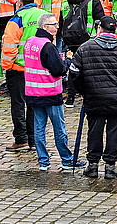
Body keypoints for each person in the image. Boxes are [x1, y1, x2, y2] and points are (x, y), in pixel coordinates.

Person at [68, 16, 117, 179]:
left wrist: (83, 90)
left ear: (99, 29)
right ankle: (110, 166)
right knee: (115, 133)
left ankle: (93, 165)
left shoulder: (85, 48)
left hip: (95, 98)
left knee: (94, 131)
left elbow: (74, 73)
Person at [24, 13, 84, 170]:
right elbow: (59, 70)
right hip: (50, 92)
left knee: (39, 128)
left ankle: (43, 161)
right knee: (59, 129)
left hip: (33, 92)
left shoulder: (30, 42)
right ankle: (66, 159)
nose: (57, 27)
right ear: (45, 27)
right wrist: (67, 61)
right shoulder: (48, 46)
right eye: (54, 24)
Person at [1, 0, 46, 152]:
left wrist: (7, 66)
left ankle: (21, 139)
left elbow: (9, 46)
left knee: (18, 104)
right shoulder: (43, 16)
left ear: (19, 3)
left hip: (18, 69)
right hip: (37, 68)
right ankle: (33, 140)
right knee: (34, 104)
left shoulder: (17, 19)